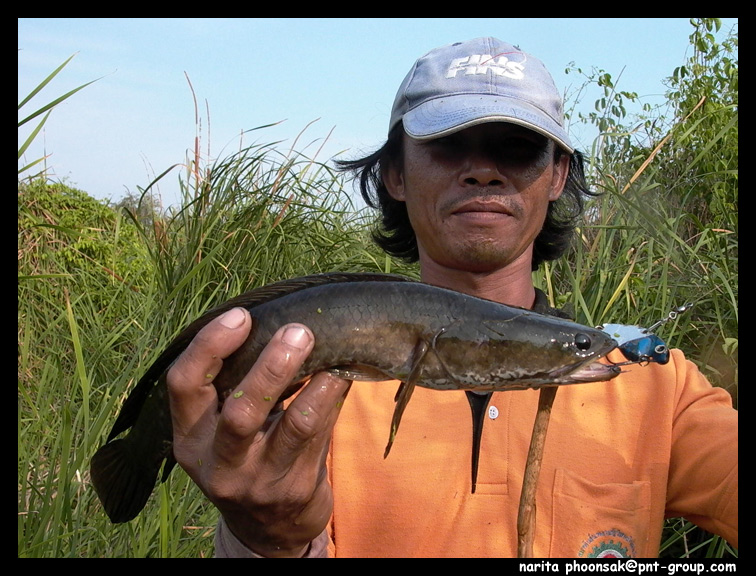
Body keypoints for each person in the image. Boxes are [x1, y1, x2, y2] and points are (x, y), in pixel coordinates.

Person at [165, 37, 738, 558]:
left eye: (516, 147)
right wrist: (269, 538)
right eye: (447, 144)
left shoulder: (660, 389)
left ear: (558, 175)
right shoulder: (294, 398)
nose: (483, 171)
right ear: (394, 173)